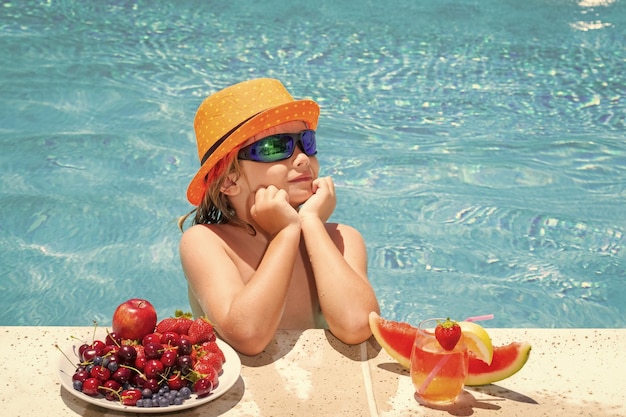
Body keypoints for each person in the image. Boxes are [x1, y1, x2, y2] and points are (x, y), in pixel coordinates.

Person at [178, 78, 379, 355]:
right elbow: (249, 336)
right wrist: (285, 235)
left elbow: (357, 326)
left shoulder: (340, 239)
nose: (301, 158)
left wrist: (310, 224)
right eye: (275, 147)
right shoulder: (206, 242)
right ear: (229, 180)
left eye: (306, 143)